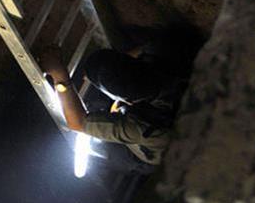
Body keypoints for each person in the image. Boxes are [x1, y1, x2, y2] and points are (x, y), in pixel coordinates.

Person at [39, 45, 186, 171]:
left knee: (110, 151)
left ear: (129, 101)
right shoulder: (167, 58)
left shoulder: (141, 127)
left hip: (161, 152)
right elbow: (139, 54)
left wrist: (60, 76)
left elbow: (78, 123)